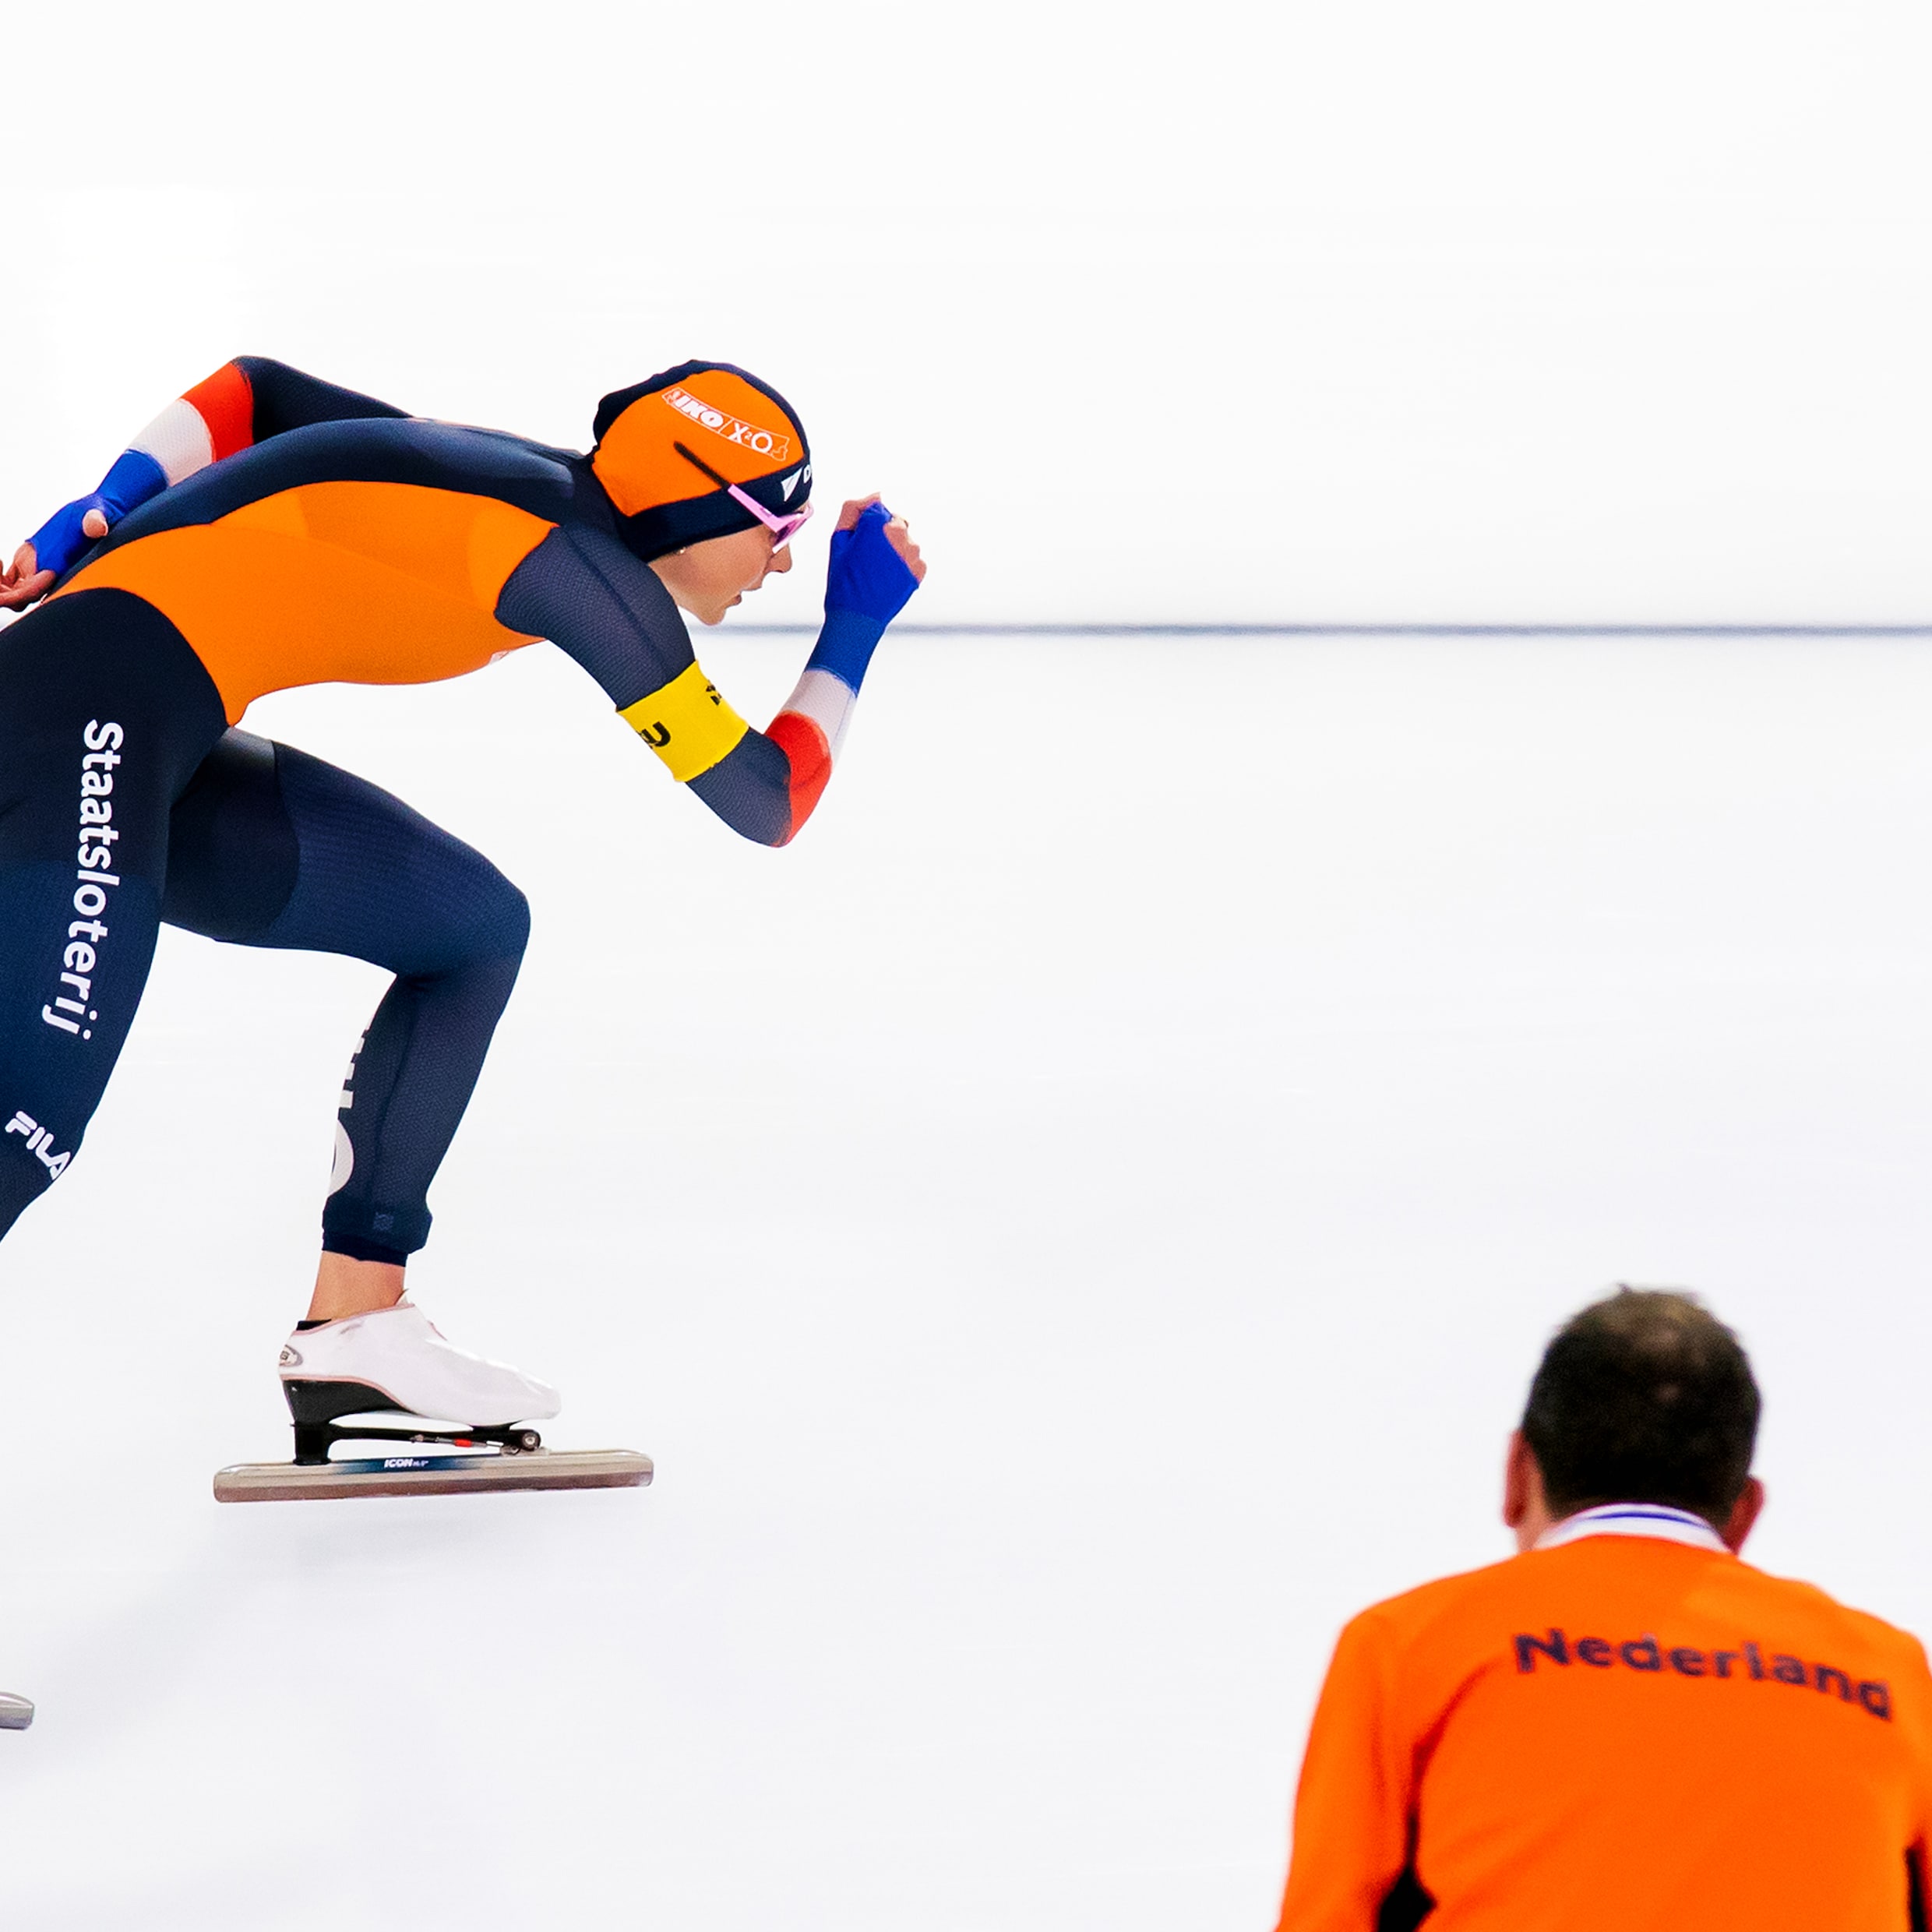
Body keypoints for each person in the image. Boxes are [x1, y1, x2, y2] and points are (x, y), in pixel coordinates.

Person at [0, 354, 925, 1440]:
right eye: (776, 524)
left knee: (469, 930)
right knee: (32, 1124)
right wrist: (856, 622)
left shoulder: (511, 478)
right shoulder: (581, 572)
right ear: (691, 505)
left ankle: (356, 1327)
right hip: (74, 725)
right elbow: (767, 800)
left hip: (155, 737)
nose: (784, 557)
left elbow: (254, 394)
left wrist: (113, 495)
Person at [1273, 1288, 1932, 1929]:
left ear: (1516, 1471)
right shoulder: (1891, 1674)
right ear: (1745, 1513)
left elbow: (1327, 1917)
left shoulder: (1405, 1645)